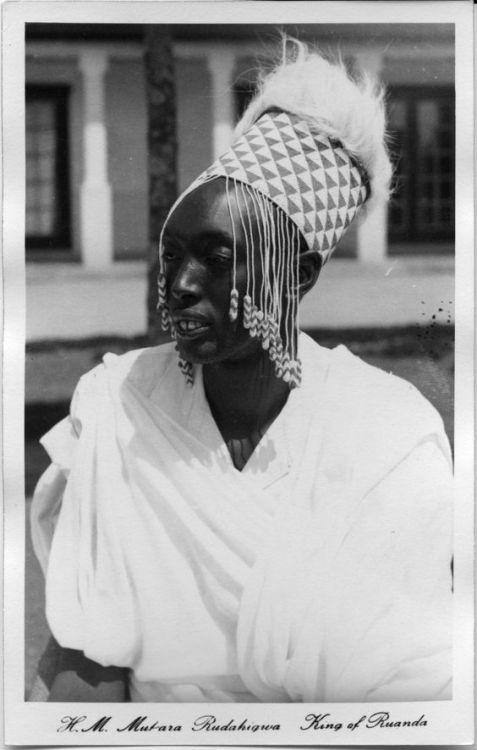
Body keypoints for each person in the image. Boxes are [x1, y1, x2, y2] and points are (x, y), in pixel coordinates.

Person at [30, 39, 453, 703]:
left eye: (216, 257)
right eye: (171, 257)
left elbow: (410, 699)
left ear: (298, 274)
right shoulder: (119, 409)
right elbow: (86, 668)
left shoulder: (389, 438)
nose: (180, 285)